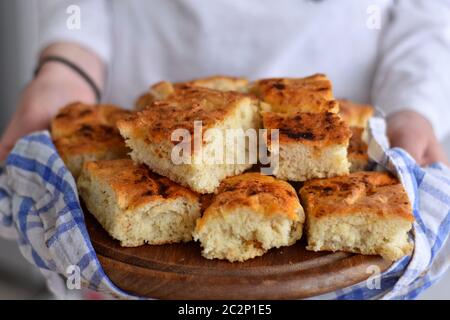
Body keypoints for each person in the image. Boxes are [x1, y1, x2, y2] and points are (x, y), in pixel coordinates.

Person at [1, 0, 449, 166]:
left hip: (337, 122)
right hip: (144, 108)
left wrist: (416, 107)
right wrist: (68, 67)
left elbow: (426, 12)